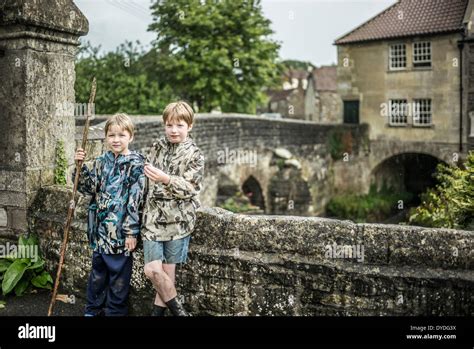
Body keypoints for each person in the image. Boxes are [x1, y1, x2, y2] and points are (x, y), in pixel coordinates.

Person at [74, 113, 145, 316]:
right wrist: (79, 167)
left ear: (130, 137)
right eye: (112, 135)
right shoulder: (100, 162)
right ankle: (93, 309)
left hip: (121, 236)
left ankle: (115, 312)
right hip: (100, 233)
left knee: (118, 280)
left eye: (122, 135)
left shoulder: (136, 164)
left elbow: (135, 200)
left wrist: (132, 233)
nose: (116, 139)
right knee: (97, 276)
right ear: (106, 137)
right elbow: (87, 188)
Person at [142, 101, 205, 316]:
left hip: (179, 223)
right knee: (152, 271)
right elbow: (144, 180)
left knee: (168, 275)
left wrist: (167, 179)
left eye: (179, 125)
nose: (174, 130)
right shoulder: (157, 147)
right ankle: (180, 313)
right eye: (169, 125)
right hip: (152, 220)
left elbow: (191, 189)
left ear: (190, 126)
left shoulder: (195, 154)